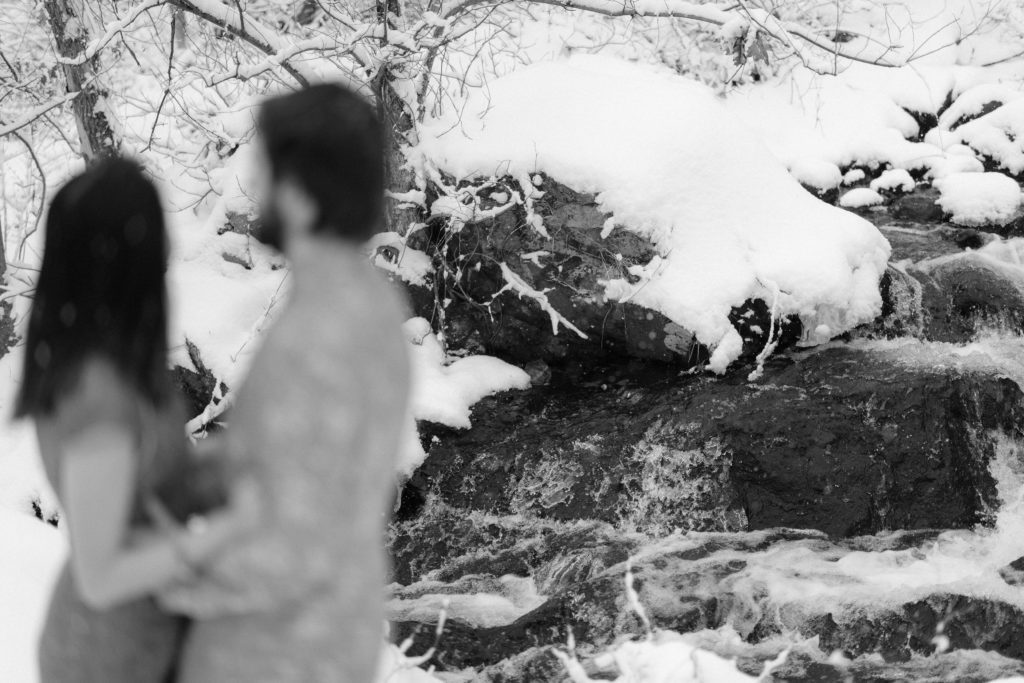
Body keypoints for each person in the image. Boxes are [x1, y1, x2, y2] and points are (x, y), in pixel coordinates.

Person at [159, 84, 411, 682]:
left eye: (268, 169)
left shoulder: (328, 326)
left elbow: (299, 521)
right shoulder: (351, 299)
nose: (258, 186)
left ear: (300, 191)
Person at [15, 158, 258, 682]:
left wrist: (226, 464)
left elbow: (143, 490)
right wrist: (218, 535)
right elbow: (100, 575)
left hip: (145, 640)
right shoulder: (98, 400)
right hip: (107, 657)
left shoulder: (107, 360)